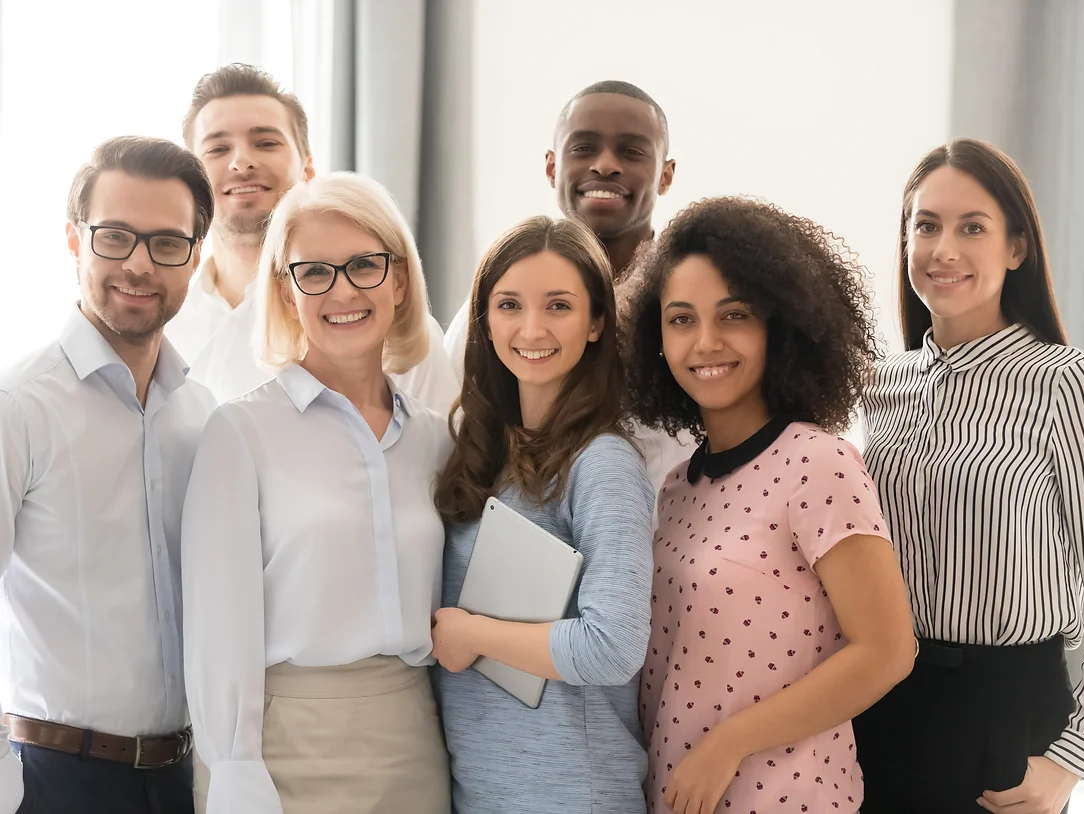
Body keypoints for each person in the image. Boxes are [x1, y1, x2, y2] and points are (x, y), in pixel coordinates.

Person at [855, 138, 1084, 814]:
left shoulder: (1071, 384)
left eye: (971, 227)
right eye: (926, 225)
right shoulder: (878, 386)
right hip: (879, 702)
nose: (943, 248)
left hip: (1005, 716)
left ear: (1016, 248)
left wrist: (1076, 755)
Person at [621, 196, 916, 813]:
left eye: (734, 315)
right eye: (681, 319)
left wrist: (728, 744)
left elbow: (887, 651)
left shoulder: (818, 464)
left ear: (778, 325)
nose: (705, 342)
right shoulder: (676, 487)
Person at [181, 172, 451, 814]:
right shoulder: (241, 433)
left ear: (400, 279)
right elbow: (218, 629)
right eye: (315, 272)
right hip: (284, 748)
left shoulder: (438, 441)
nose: (343, 291)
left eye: (364, 265)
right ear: (286, 290)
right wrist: (234, 767)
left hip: (417, 740)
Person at [0, 136, 215, 814]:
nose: (140, 265)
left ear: (195, 256)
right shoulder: (19, 408)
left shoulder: (203, 415)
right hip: (55, 778)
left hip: (184, 777)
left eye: (167, 243)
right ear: (74, 240)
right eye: (115, 237)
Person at [431, 216, 655, 813]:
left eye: (559, 305)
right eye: (509, 304)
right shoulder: (481, 450)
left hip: (571, 793)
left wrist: (472, 634)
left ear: (596, 322)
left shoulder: (602, 463)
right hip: (482, 789)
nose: (532, 328)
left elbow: (614, 647)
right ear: (483, 319)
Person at [442, 80, 689, 494]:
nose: (606, 165)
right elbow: (449, 429)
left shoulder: (690, 307)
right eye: (583, 148)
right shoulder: (493, 308)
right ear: (551, 167)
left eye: (631, 151)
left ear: (665, 174)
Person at [167, 62, 459, 412]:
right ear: (192, 183)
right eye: (217, 149)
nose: (242, 162)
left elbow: (441, 457)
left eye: (265, 142)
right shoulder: (164, 319)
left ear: (307, 168)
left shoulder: (384, 323)